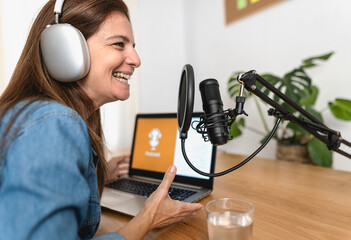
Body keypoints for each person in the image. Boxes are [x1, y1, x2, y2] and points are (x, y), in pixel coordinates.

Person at [0, 0, 203, 239]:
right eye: (119, 44)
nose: (136, 59)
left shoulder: (34, 115)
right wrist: (148, 217)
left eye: (133, 46)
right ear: (64, 49)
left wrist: (86, 174)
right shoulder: (54, 124)